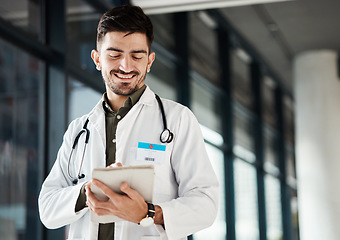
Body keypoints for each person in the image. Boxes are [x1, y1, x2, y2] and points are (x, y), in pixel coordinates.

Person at [38, 5, 219, 240]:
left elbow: (206, 203)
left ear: (150, 61)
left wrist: (149, 212)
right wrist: (89, 191)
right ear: (97, 59)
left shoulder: (177, 119)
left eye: (136, 56)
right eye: (114, 54)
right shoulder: (78, 129)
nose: (126, 66)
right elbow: (47, 207)